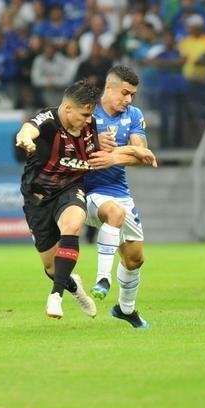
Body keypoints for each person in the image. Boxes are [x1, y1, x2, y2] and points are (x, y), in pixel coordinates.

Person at [14, 81, 152, 321]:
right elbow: (28, 129)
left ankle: (55, 296)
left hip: (71, 189)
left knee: (73, 224)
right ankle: (73, 287)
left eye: (91, 115)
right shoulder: (47, 120)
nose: (89, 120)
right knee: (52, 267)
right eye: (85, 115)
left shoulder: (92, 127)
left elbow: (105, 155)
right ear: (68, 109)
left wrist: (135, 151)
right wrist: (25, 138)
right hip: (38, 196)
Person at [84, 66, 159, 330]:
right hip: (86, 191)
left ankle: (125, 310)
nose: (128, 100)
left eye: (132, 95)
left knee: (135, 259)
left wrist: (114, 156)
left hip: (120, 190)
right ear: (109, 88)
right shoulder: (87, 111)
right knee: (114, 212)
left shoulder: (134, 115)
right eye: (125, 93)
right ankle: (102, 278)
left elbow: (143, 154)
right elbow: (82, 154)